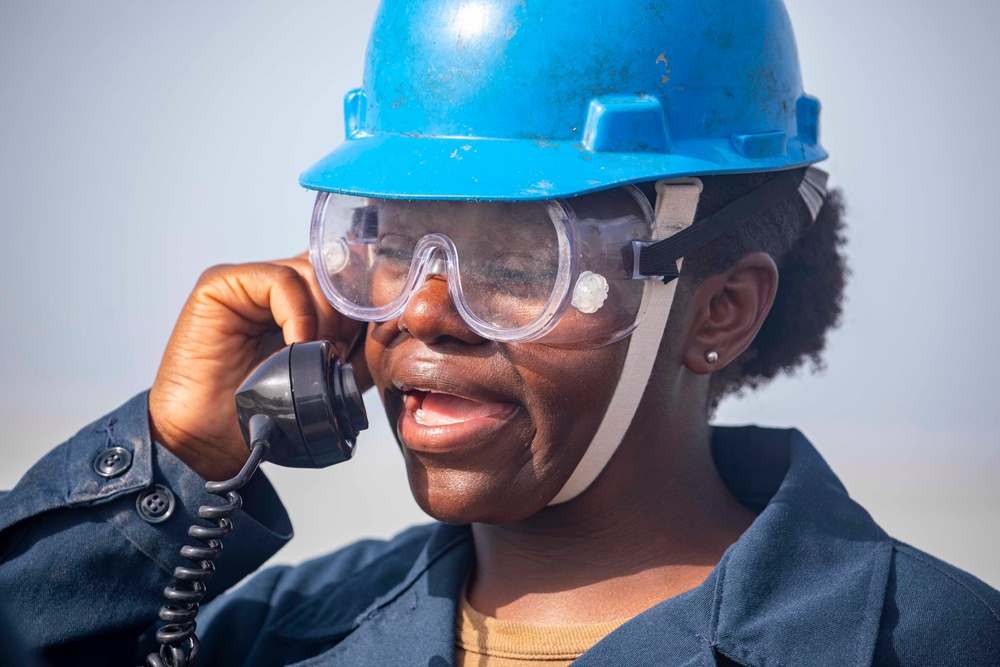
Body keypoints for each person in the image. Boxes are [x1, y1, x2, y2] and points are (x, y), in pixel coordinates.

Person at [2, 1, 998, 666]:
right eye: (387, 247)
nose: (423, 313)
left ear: (718, 308)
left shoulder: (931, 641)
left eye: (522, 265)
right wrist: (175, 467)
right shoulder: (272, 633)